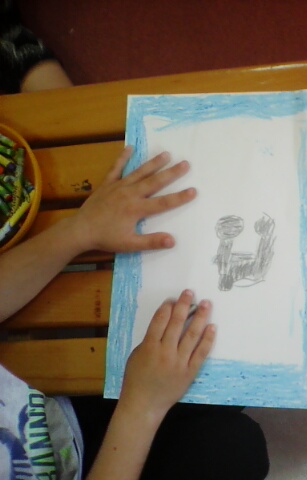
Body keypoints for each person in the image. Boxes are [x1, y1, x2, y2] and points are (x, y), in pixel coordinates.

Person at [0, 3, 270, 479]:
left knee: (226, 373)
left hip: (39, 403)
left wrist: (82, 229)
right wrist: (141, 406)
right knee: (235, 443)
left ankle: (25, 59)